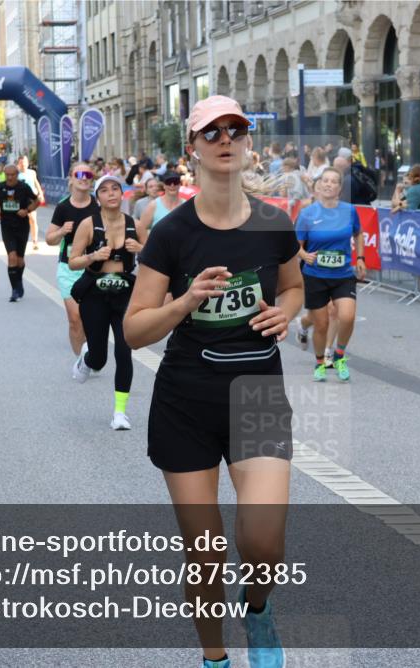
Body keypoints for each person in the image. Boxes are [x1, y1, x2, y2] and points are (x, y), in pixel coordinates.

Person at [124, 94, 303, 668]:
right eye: (212, 132)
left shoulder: (275, 222)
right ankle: (215, 659)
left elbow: (295, 285)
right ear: (193, 148)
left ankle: (258, 610)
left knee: (264, 545)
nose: (226, 139)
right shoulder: (172, 233)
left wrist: (288, 311)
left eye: (236, 130)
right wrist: (187, 300)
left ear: (248, 143)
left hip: (257, 395)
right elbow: (133, 331)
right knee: (204, 554)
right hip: (186, 400)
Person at [67, 174, 145, 430]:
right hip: (95, 295)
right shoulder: (89, 225)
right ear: (97, 197)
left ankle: (120, 413)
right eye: (104, 190)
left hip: (124, 294)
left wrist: (140, 250)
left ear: (122, 194)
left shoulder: (135, 224)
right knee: (100, 359)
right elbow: (73, 261)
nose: (111, 193)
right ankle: (88, 357)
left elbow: (156, 259)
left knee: (124, 351)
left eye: (115, 189)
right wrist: (92, 256)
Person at [294, 167, 365, 382]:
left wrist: (360, 258)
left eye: (334, 182)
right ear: (318, 185)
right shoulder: (307, 214)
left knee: (347, 316)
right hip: (315, 275)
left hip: (343, 274)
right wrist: (304, 255)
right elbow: (295, 245)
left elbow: (358, 233)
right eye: (325, 180)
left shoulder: (349, 211)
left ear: (339, 189)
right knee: (322, 323)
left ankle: (339, 355)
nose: (328, 184)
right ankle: (319, 363)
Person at [46, 162, 99, 356]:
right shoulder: (63, 207)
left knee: (91, 318)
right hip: (69, 269)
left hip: (95, 268)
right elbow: (49, 239)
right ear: (71, 178)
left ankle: (92, 352)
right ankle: (82, 361)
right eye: (79, 174)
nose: (84, 177)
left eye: (88, 174)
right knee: (75, 319)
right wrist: (61, 231)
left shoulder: (98, 205)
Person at [0, 165, 40, 302]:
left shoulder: (23, 187)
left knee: (20, 259)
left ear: (17, 174)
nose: (10, 177)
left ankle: (18, 282)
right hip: (6, 226)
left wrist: (27, 210)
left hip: (22, 226)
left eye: (12, 174)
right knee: (11, 257)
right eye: (7, 175)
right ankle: (14, 290)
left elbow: (37, 200)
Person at [17, 155, 45, 250]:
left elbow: (36, 183)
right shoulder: (16, 173)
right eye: (21, 163)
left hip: (31, 199)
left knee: (32, 219)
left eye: (24, 162)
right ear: (18, 164)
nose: (23, 164)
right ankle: (20, 240)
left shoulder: (32, 172)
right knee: (20, 221)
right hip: (19, 200)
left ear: (27, 163)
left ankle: (35, 241)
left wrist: (40, 193)